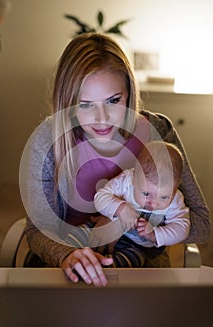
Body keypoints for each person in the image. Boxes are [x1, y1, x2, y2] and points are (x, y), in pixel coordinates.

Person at [20, 32, 211, 287]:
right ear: (67, 102)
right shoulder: (48, 141)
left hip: (139, 265)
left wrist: (135, 226)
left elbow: (201, 224)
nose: (103, 118)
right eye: (85, 104)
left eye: (113, 101)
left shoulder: (157, 131)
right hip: (69, 259)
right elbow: (36, 230)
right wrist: (67, 255)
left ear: (129, 92)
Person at [93, 141, 190, 267]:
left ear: (176, 186)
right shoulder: (126, 182)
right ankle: (77, 257)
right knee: (83, 231)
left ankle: (101, 266)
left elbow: (182, 228)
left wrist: (155, 235)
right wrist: (121, 209)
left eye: (164, 197)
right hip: (107, 227)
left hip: (137, 247)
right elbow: (100, 197)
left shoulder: (176, 200)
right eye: (146, 194)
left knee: (132, 260)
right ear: (134, 177)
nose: (154, 203)